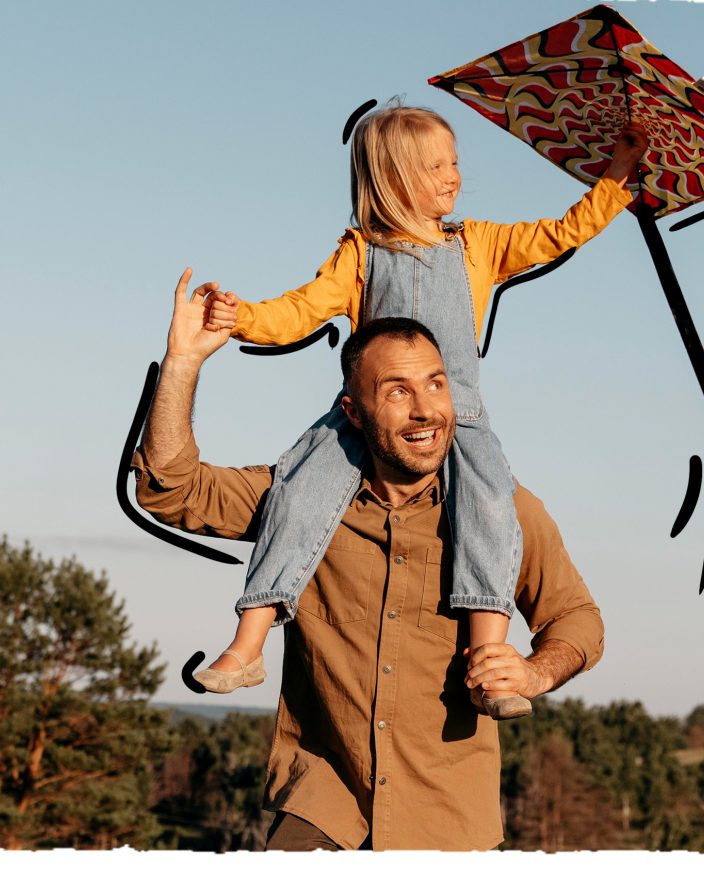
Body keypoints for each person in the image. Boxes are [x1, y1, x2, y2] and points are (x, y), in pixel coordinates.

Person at [186, 99, 646, 720]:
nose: (453, 175)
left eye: (454, 161)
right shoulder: (360, 254)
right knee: (299, 490)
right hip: (371, 422)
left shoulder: (478, 245)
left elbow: (560, 232)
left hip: (460, 417)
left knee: (489, 514)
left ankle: (490, 667)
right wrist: (241, 316)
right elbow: (300, 309)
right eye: (435, 166)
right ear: (394, 180)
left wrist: (616, 177)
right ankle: (248, 645)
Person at [133, 270, 604, 850]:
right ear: (353, 413)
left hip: (447, 818)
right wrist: (183, 364)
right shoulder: (297, 501)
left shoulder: (505, 512)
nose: (426, 410)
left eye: (436, 385)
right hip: (323, 804)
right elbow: (171, 489)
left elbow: (578, 620)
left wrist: (535, 672)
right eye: (398, 392)